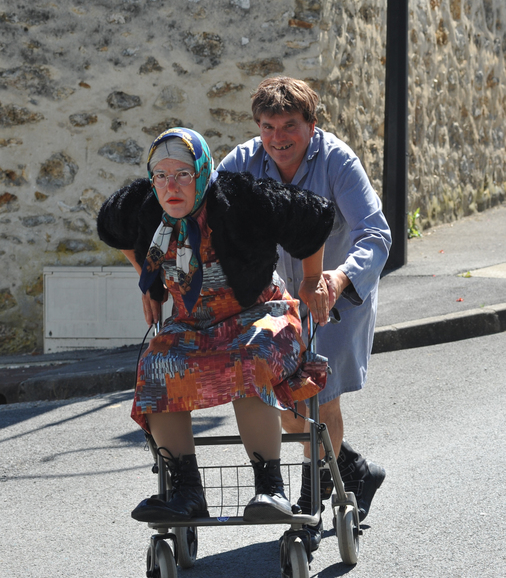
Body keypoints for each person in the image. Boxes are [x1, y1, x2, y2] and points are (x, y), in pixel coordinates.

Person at [96, 127, 336, 524]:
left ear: (203, 171)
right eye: (161, 176)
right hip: (195, 324)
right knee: (157, 363)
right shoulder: (144, 205)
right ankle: (187, 493)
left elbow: (314, 217)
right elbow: (111, 226)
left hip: (261, 313)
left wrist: (312, 280)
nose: (171, 186)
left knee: (249, 356)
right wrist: (149, 284)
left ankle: (270, 488)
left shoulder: (241, 198)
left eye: (183, 174)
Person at [217, 76, 392, 549]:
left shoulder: (338, 161)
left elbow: (376, 235)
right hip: (276, 306)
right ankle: (354, 468)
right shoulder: (243, 162)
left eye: (289, 125)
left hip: (335, 299)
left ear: (311, 126)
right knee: (292, 410)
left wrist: (340, 278)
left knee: (319, 400)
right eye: (267, 126)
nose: (278, 138)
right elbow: (208, 216)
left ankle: (309, 508)